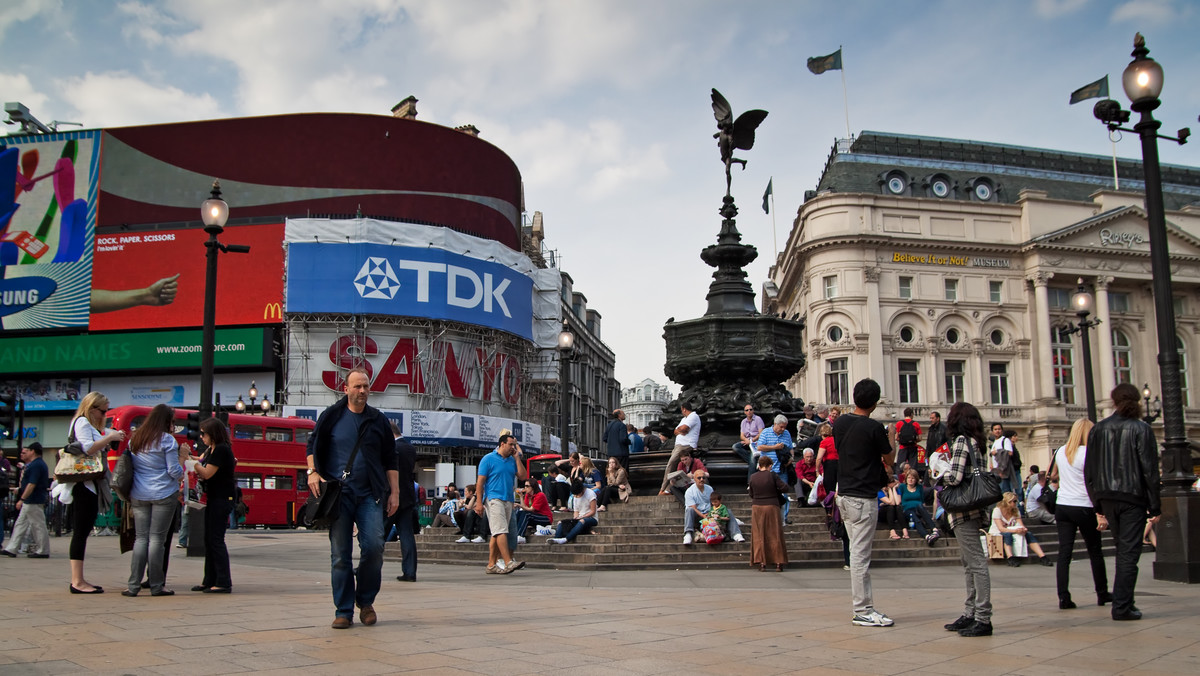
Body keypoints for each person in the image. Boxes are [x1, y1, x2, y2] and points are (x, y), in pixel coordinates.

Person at [306, 367, 400, 629]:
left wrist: (395, 492)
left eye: (366, 386)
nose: (362, 391)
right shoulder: (332, 416)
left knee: (374, 548)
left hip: (370, 494)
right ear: (345, 389)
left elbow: (390, 459)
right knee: (340, 554)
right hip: (339, 495)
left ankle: (365, 600)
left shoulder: (378, 420)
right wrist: (313, 472)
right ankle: (343, 610)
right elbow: (312, 445)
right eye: (357, 386)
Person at [1084, 383, 1161, 622]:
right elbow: (1149, 469)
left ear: (1114, 401)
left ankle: (1123, 602)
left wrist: (1097, 501)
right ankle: (1122, 606)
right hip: (1132, 496)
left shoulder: (1099, 429)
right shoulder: (1141, 428)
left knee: (1122, 549)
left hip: (1107, 496)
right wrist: (1155, 502)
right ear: (1137, 402)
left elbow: (1089, 470)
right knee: (1129, 552)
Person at [832, 378, 894, 628]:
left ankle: (864, 607)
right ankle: (863, 609)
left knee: (857, 553)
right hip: (862, 496)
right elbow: (890, 458)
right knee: (860, 556)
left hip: (844, 493)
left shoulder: (840, 423)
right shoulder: (874, 427)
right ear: (875, 403)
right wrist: (892, 436)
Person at [940, 402, 995, 637]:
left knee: (975, 563)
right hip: (977, 506)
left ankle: (982, 616)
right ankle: (970, 612)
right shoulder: (980, 443)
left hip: (963, 509)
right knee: (970, 561)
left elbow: (955, 477)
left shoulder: (962, 441)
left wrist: (939, 472)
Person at [121, 404, 185, 597]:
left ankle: (133, 586)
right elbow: (173, 471)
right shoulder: (167, 440)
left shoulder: (136, 439)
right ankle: (157, 586)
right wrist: (182, 466)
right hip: (163, 494)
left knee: (141, 539)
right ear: (167, 421)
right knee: (157, 540)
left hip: (139, 494)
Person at [67, 392, 126, 594]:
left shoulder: (87, 424)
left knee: (82, 531)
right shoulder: (82, 422)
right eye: (102, 411)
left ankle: (79, 578)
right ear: (92, 408)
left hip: (89, 483)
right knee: (81, 531)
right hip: (84, 484)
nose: (104, 414)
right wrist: (108, 437)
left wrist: (107, 438)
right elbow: (88, 448)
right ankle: (77, 581)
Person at [190, 417, 236, 594]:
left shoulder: (222, 450)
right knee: (209, 539)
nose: (201, 437)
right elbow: (201, 460)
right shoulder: (211, 449)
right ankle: (209, 579)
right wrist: (191, 458)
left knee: (216, 540)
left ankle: (223, 581)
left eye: (204, 433)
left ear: (213, 434)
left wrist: (191, 464)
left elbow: (207, 472)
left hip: (221, 499)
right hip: (213, 498)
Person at [473, 433, 527, 574]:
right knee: (501, 530)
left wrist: (517, 459)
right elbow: (480, 483)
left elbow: (522, 476)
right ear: (502, 444)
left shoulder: (511, 460)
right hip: (493, 498)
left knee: (497, 532)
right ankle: (508, 561)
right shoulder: (488, 459)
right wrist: (479, 503)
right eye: (510, 444)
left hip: (508, 499)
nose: (512, 448)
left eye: (514, 445)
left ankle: (491, 565)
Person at [1, 443, 51, 560]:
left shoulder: (36, 465)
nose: (25, 453)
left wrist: (22, 499)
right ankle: (12, 548)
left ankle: (43, 550)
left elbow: (32, 483)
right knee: (20, 524)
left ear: (32, 451)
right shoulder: (36, 464)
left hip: (33, 499)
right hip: (31, 499)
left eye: (27, 451)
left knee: (38, 525)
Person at [748, 456, 788, 572]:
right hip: (772, 506)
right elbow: (784, 488)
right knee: (775, 533)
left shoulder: (753, 477)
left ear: (759, 465)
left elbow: (751, 493)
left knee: (759, 534)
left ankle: (762, 562)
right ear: (770, 465)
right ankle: (778, 562)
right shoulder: (773, 475)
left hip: (757, 507)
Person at [990, 492, 1052, 567]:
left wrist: (1023, 529)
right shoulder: (997, 510)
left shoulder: (1015, 510)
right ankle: (1010, 557)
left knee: (1028, 534)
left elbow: (1021, 525)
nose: (1016, 503)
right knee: (1007, 535)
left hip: (1012, 530)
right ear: (1007, 502)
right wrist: (1015, 531)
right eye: (1014, 501)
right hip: (998, 532)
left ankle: (1042, 557)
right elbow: (1001, 528)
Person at [682, 471, 744, 545]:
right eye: (699, 478)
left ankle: (736, 534)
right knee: (689, 510)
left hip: (710, 515)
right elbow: (694, 508)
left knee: (727, 510)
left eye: (703, 477)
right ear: (694, 479)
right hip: (697, 515)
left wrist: (712, 513)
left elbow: (713, 504)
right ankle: (688, 533)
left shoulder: (709, 489)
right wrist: (703, 515)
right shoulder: (690, 491)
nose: (701, 479)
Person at [756, 414, 795, 524]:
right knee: (767, 493)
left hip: (782, 468)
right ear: (775, 424)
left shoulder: (786, 433)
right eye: (781, 427)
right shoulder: (766, 432)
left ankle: (784, 518)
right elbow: (760, 447)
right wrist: (775, 447)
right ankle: (769, 517)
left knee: (784, 494)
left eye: (784, 427)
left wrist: (791, 458)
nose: (783, 429)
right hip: (768, 470)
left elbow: (791, 448)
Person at [392, 428, 418, 583]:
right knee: (407, 535)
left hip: (391, 495)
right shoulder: (410, 448)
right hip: (407, 496)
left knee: (377, 535)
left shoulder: (391, 447)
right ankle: (410, 571)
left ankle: (365, 567)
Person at [659, 401, 701, 495]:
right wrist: (681, 430)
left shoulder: (693, 416)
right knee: (676, 467)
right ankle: (668, 489)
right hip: (679, 445)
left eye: (681, 410)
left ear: (684, 409)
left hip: (686, 445)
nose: (681, 412)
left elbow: (683, 429)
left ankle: (663, 489)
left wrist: (681, 430)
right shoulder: (684, 419)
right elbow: (675, 431)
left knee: (671, 464)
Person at [548, 479, 598, 544]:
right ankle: (556, 538)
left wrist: (582, 517)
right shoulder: (575, 496)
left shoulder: (590, 494)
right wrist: (576, 518)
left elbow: (593, 511)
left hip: (591, 518)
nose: (577, 496)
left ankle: (566, 539)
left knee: (582, 521)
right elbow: (576, 511)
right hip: (579, 518)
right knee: (561, 522)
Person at [899, 469, 941, 545]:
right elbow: (900, 501)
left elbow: (922, 500)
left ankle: (934, 529)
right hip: (908, 510)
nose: (910, 480)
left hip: (919, 508)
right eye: (909, 478)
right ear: (906, 479)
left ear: (916, 479)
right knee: (916, 519)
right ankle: (927, 536)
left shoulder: (919, 487)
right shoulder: (902, 487)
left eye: (913, 478)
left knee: (920, 506)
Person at [732, 404, 765, 484]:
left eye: (750, 409)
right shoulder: (743, 421)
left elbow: (761, 433)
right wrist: (746, 440)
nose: (749, 411)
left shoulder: (758, 419)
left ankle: (750, 483)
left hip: (756, 442)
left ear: (753, 410)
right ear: (745, 412)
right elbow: (741, 435)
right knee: (735, 447)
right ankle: (754, 461)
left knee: (752, 459)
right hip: (747, 442)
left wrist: (752, 440)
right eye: (747, 410)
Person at [893, 407, 921, 472]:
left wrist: (902, 440)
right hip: (913, 447)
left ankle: (900, 479)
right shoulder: (916, 424)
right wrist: (914, 440)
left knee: (900, 466)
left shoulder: (899, 423)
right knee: (913, 466)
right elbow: (920, 438)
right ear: (911, 414)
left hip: (903, 447)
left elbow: (896, 437)